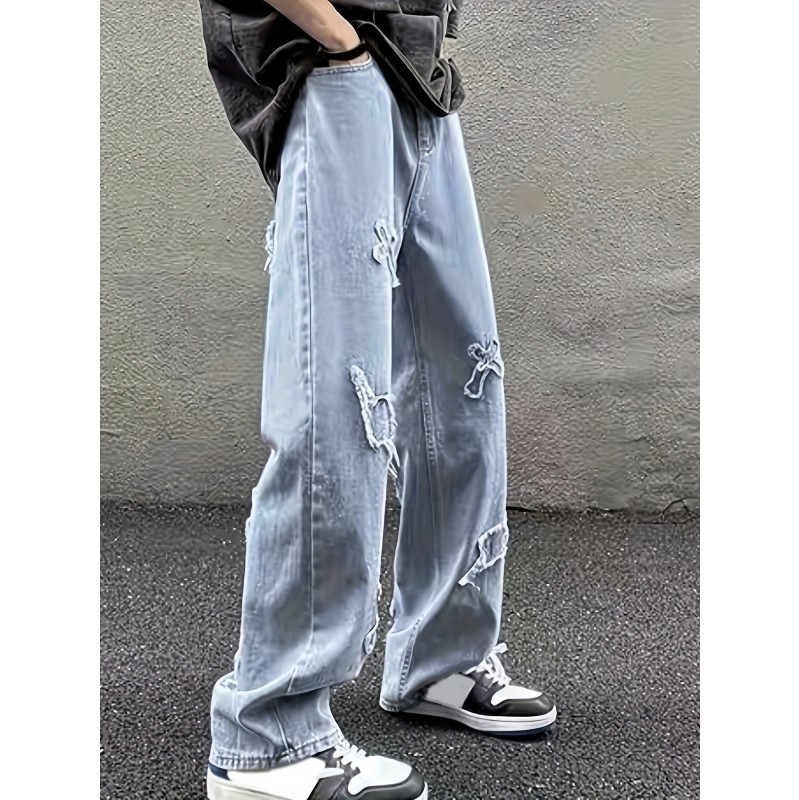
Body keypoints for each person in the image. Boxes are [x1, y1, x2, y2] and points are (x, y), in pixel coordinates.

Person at [197, 2, 557, 798]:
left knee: (461, 381)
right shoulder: (338, 58)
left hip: (417, 77)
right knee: (336, 403)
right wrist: (340, 43)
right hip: (335, 68)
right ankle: (267, 736)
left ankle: (441, 657)